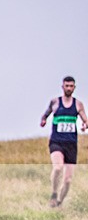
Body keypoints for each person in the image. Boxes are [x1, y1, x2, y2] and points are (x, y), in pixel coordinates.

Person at [40, 76, 88, 207]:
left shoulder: (78, 104)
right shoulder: (55, 102)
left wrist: (85, 125)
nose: (68, 88)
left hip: (71, 144)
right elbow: (46, 114)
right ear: (62, 87)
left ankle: (59, 202)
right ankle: (54, 194)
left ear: (74, 87)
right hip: (56, 142)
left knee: (67, 180)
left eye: (71, 86)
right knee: (57, 167)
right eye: (66, 86)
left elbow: (85, 119)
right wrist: (43, 120)